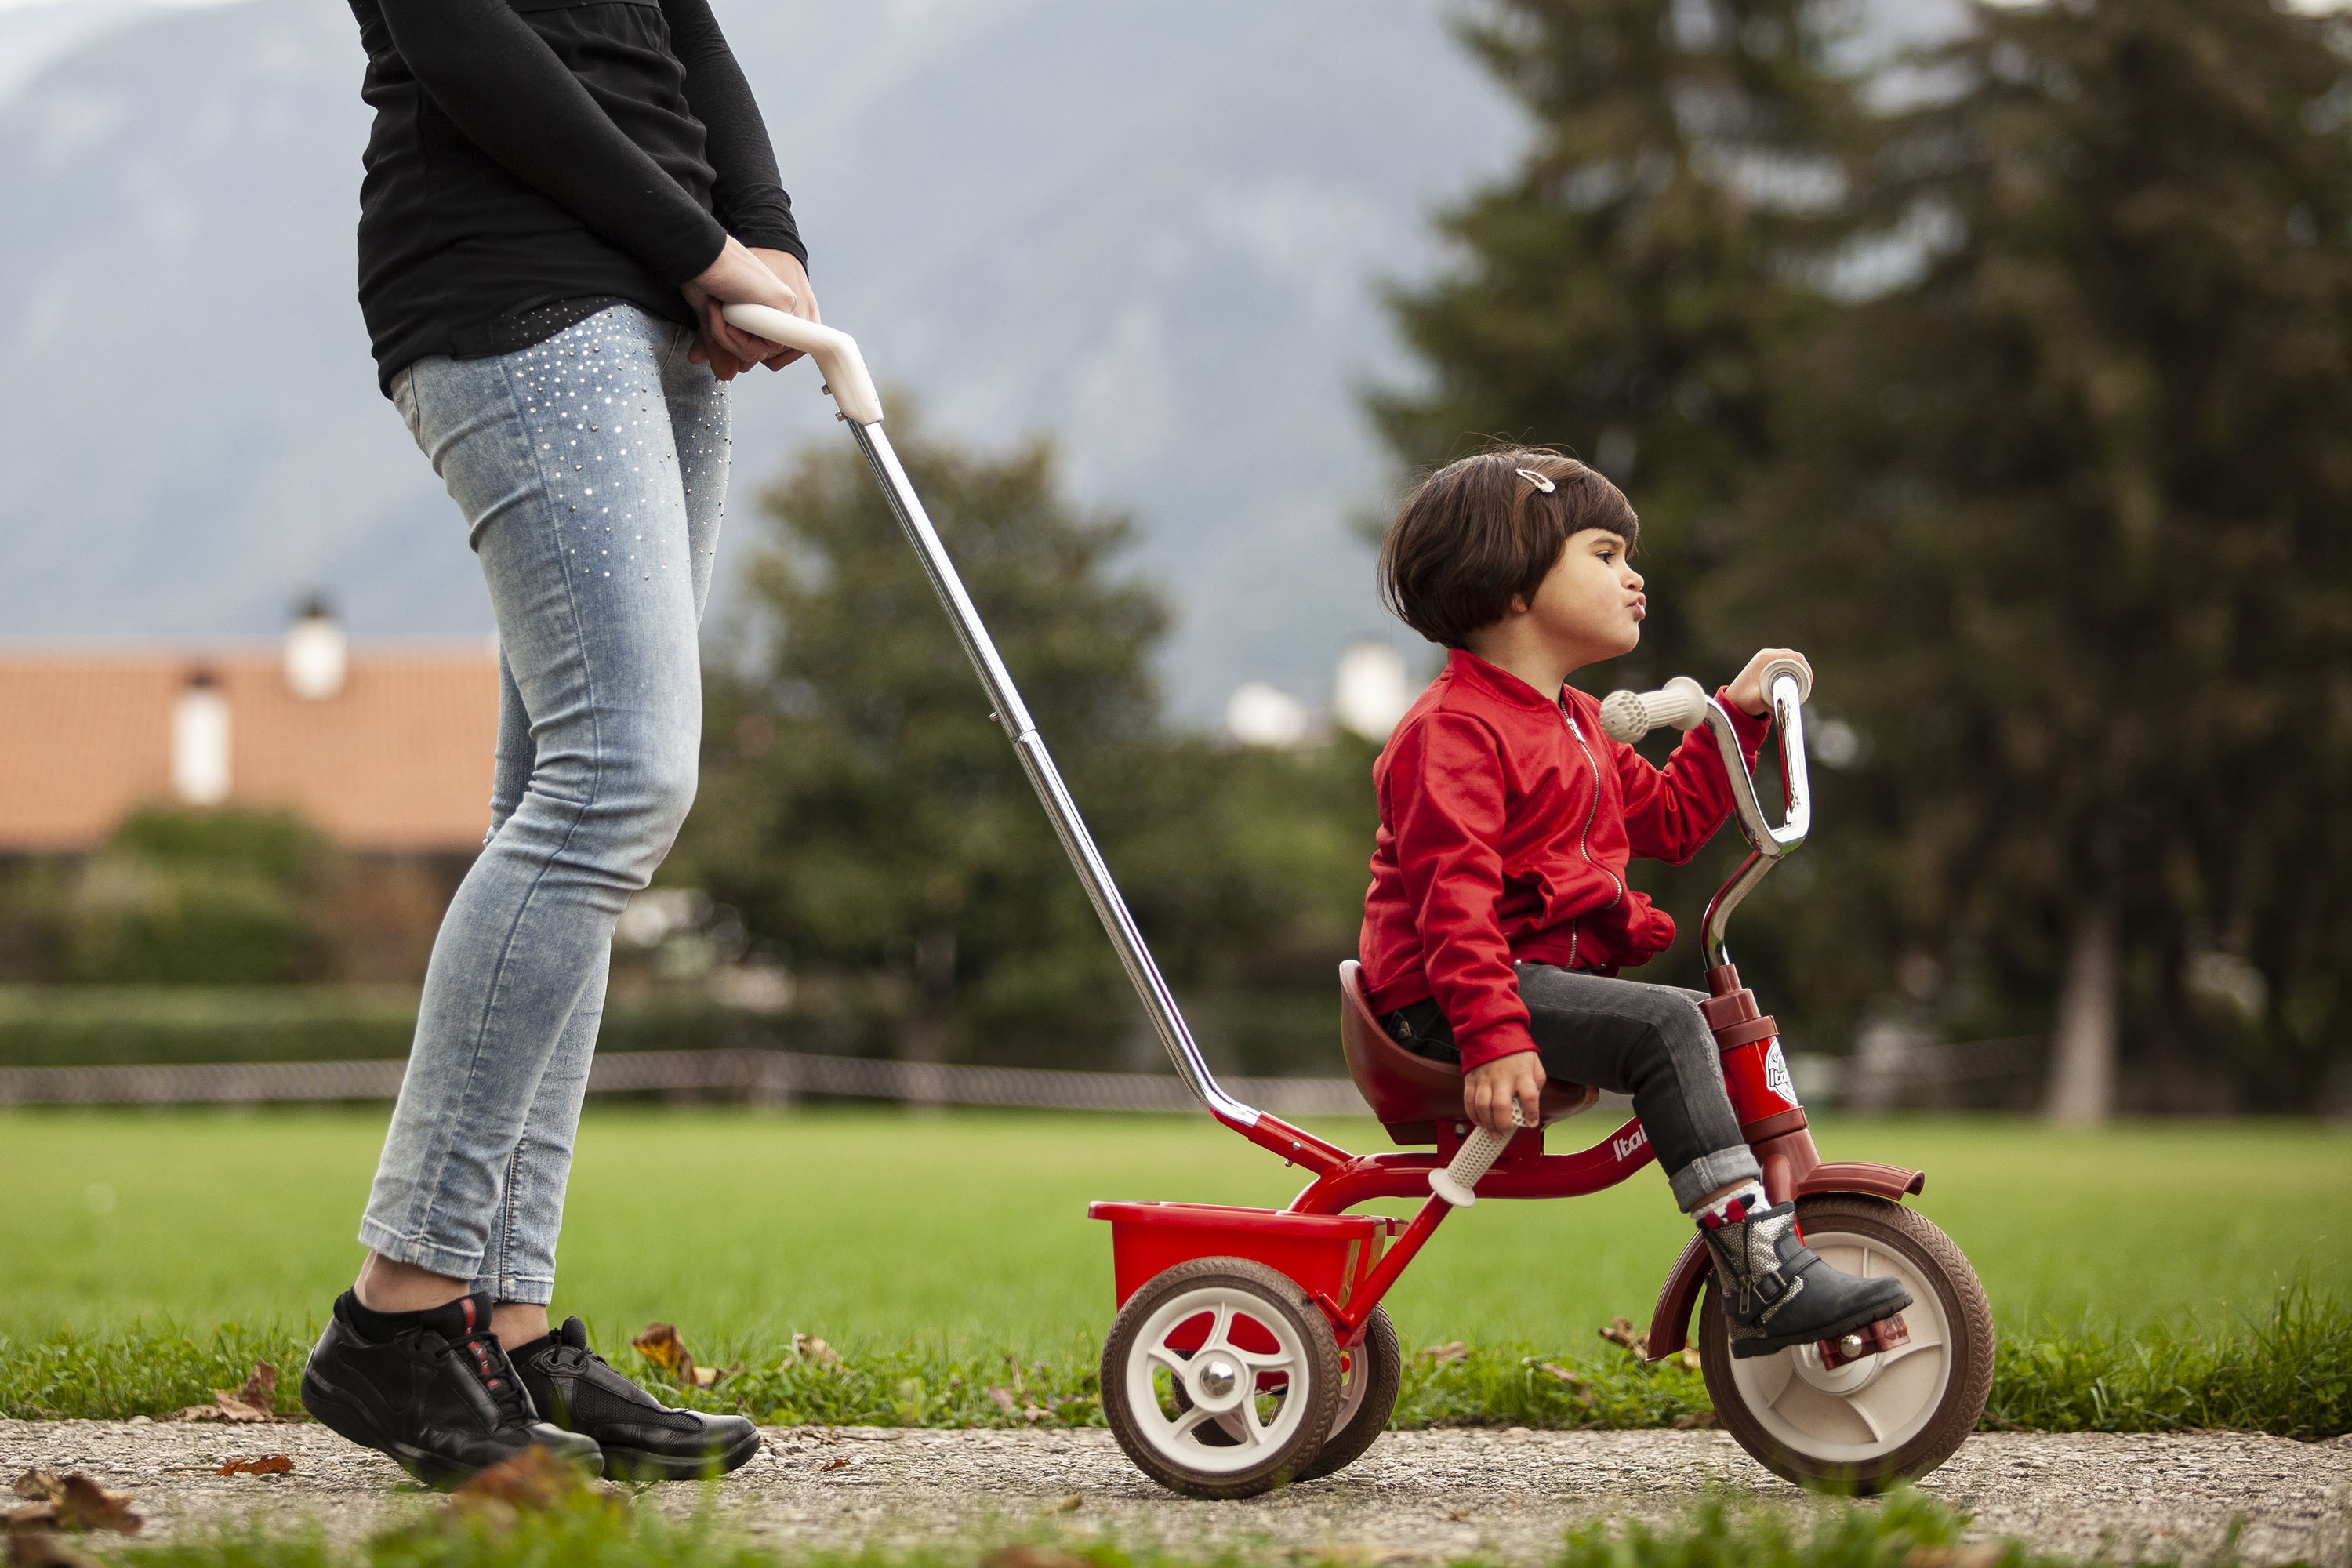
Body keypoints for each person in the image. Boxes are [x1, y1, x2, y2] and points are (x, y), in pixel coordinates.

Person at [298, 0, 818, 1485]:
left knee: (566, 798)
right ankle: (401, 1311)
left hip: (664, 305)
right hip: (515, 287)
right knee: (617, 785)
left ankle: (504, 1327)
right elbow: (465, 40)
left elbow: (687, 36)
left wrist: (763, 243)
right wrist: (705, 249)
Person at [1359, 448, 1908, 1359]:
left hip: (1517, 984)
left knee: (1697, 1022)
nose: (1634, 575)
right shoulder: (1452, 729)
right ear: (1513, 584)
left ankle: (1765, 1248)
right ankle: (1763, 1275)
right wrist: (1492, 1036)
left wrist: (1736, 716)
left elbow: (1675, 819)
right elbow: (1451, 900)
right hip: (1444, 1000)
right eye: (1606, 553)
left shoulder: (1575, 721)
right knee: (1668, 1028)